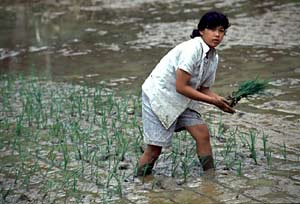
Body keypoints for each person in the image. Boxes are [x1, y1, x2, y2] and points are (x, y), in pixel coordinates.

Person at [137, 11, 235, 176]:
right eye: (212, 30)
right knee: (154, 150)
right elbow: (181, 86)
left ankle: (210, 177)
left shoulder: (213, 56)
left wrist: (220, 100)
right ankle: (138, 180)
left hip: (182, 99)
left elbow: (203, 88)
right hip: (160, 96)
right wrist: (214, 102)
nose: (217, 35)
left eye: (221, 31)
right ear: (202, 30)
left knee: (202, 133)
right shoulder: (192, 49)